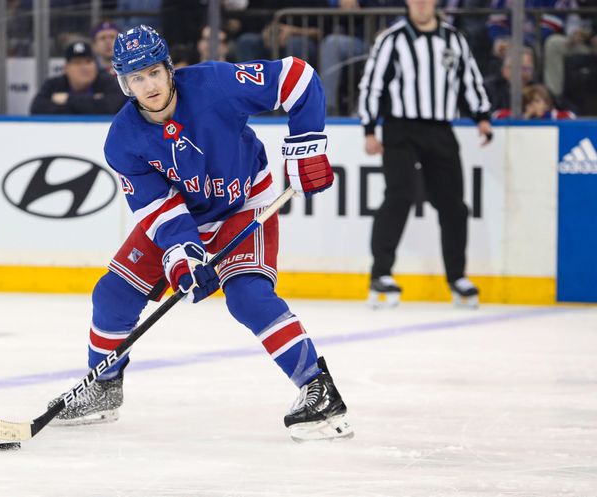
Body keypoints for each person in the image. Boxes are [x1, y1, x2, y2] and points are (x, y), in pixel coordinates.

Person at [47, 25, 352, 442]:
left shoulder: (215, 84)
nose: (149, 85)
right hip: (187, 215)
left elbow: (298, 77)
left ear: (170, 68)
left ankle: (318, 389)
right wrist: (184, 258)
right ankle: (103, 386)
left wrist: (307, 147)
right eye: (136, 78)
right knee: (112, 294)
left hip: (244, 205)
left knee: (248, 296)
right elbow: (159, 210)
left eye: (154, 72)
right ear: (124, 83)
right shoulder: (122, 140)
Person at [358, 0, 493, 308]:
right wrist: (369, 129)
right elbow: (372, 86)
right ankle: (381, 273)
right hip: (400, 129)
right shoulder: (391, 39)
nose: (420, 4)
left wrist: (482, 117)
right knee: (400, 195)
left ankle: (457, 277)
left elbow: (469, 81)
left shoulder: (454, 39)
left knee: (454, 205)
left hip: (440, 130)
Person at [30, 41, 126, 115]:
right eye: (77, 63)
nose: (84, 67)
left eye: (88, 62)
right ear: (66, 68)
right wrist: (92, 101)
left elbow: (112, 108)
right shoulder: (53, 84)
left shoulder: (107, 82)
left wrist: (67, 99)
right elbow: (36, 108)